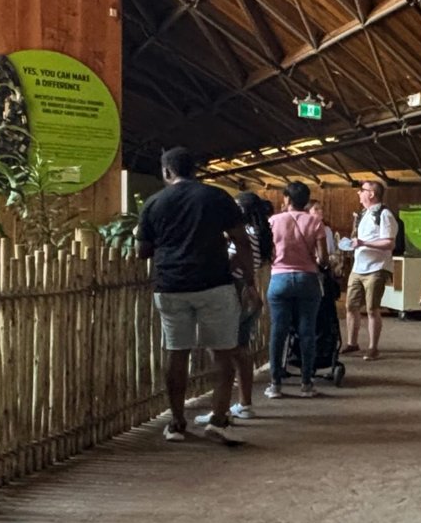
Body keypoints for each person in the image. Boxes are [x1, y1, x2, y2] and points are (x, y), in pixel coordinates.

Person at [136, 147, 254, 446]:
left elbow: (142, 251)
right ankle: (218, 419)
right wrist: (248, 281)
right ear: (195, 170)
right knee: (223, 353)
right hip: (215, 284)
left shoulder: (154, 203)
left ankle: (176, 423)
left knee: (177, 353)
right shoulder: (216, 197)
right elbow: (241, 241)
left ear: (166, 171)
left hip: (172, 286)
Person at [196, 192, 272, 425]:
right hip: (249, 293)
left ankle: (222, 408)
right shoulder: (259, 233)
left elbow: (235, 261)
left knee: (224, 351)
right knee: (241, 349)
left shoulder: (244, 236)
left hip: (237, 292)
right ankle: (244, 403)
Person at [266, 182, 327, 399]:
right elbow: (324, 258)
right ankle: (306, 383)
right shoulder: (315, 222)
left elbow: (269, 252)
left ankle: (275, 384)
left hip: (279, 278)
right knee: (307, 331)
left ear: (287, 200)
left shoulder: (273, 221)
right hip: (307, 279)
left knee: (278, 331)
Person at [345, 180, 399, 361]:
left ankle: (373, 348)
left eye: (362, 190)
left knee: (372, 308)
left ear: (372, 194)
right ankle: (352, 343)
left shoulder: (384, 215)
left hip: (376, 268)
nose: (359, 193)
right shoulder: (363, 214)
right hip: (358, 267)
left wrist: (363, 243)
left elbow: (390, 242)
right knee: (350, 306)